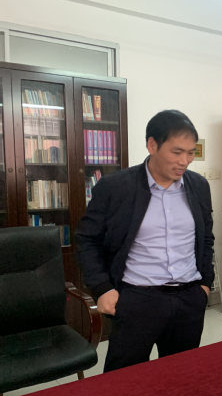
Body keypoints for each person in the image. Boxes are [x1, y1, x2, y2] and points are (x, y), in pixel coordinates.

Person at [76, 109, 214, 372]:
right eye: (177, 152)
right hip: (138, 299)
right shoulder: (116, 187)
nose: (184, 161)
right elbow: (87, 240)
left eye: (190, 153)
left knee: (181, 376)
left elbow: (206, 237)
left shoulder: (198, 186)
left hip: (189, 298)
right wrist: (103, 287)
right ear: (152, 145)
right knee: (124, 379)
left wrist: (205, 284)